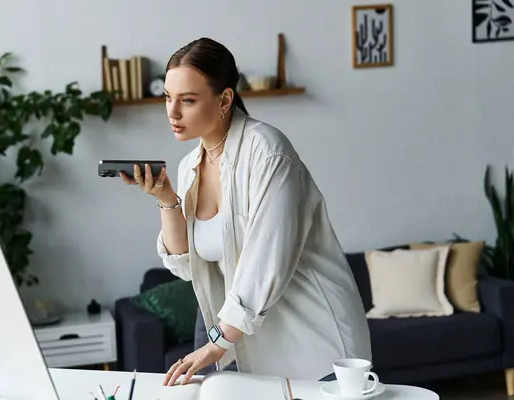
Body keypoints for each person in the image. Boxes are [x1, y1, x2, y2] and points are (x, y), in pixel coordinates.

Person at [119, 37, 372, 386]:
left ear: (224, 99)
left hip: (313, 343)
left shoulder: (268, 152)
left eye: (187, 100)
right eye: (168, 97)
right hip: (249, 345)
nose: (172, 112)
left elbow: (267, 260)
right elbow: (186, 264)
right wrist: (166, 197)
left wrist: (216, 344)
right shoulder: (190, 165)